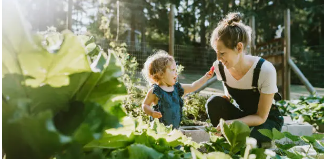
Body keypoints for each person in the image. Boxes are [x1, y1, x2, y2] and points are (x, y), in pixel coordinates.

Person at [206, 12, 284, 146]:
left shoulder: (264, 70)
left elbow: (260, 117)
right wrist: (225, 100)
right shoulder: (220, 67)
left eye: (222, 53)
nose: (218, 58)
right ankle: (225, 141)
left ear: (239, 47)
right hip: (242, 115)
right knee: (213, 102)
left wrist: (232, 123)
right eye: (216, 52)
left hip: (266, 120)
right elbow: (228, 94)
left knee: (249, 140)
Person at [142, 50, 214, 129]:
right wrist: (151, 113)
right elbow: (145, 105)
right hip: (159, 131)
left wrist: (206, 77)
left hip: (175, 130)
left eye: (176, 70)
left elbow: (193, 86)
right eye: (173, 70)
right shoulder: (155, 91)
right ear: (161, 73)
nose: (176, 73)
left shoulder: (177, 89)